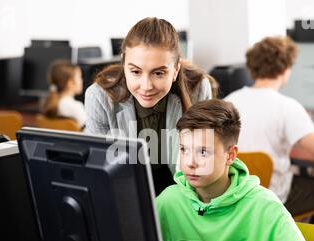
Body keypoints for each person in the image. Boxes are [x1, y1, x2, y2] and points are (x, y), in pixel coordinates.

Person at [224, 36, 314, 232]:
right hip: (270, 198)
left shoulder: (228, 102)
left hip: (233, 197)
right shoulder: (287, 107)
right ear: (285, 69)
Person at [156, 99, 314, 241]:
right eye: (184, 149)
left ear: (231, 155)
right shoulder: (168, 202)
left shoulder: (264, 207)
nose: (190, 162)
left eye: (203, 152)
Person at [84, 17, 216, 195]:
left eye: (159, 73)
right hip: (124, 190)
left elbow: (202, 162)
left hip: (182, 189)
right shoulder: (99, 97)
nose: (146, 86)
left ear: (176, 70)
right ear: (124, 65)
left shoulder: (198, 89)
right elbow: (100, 173)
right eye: (136, 71)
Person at [42, 60, 86, 130]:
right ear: (70, 83)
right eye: (80, 77)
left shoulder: (47, 103)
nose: (82, 80)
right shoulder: (76, 107)